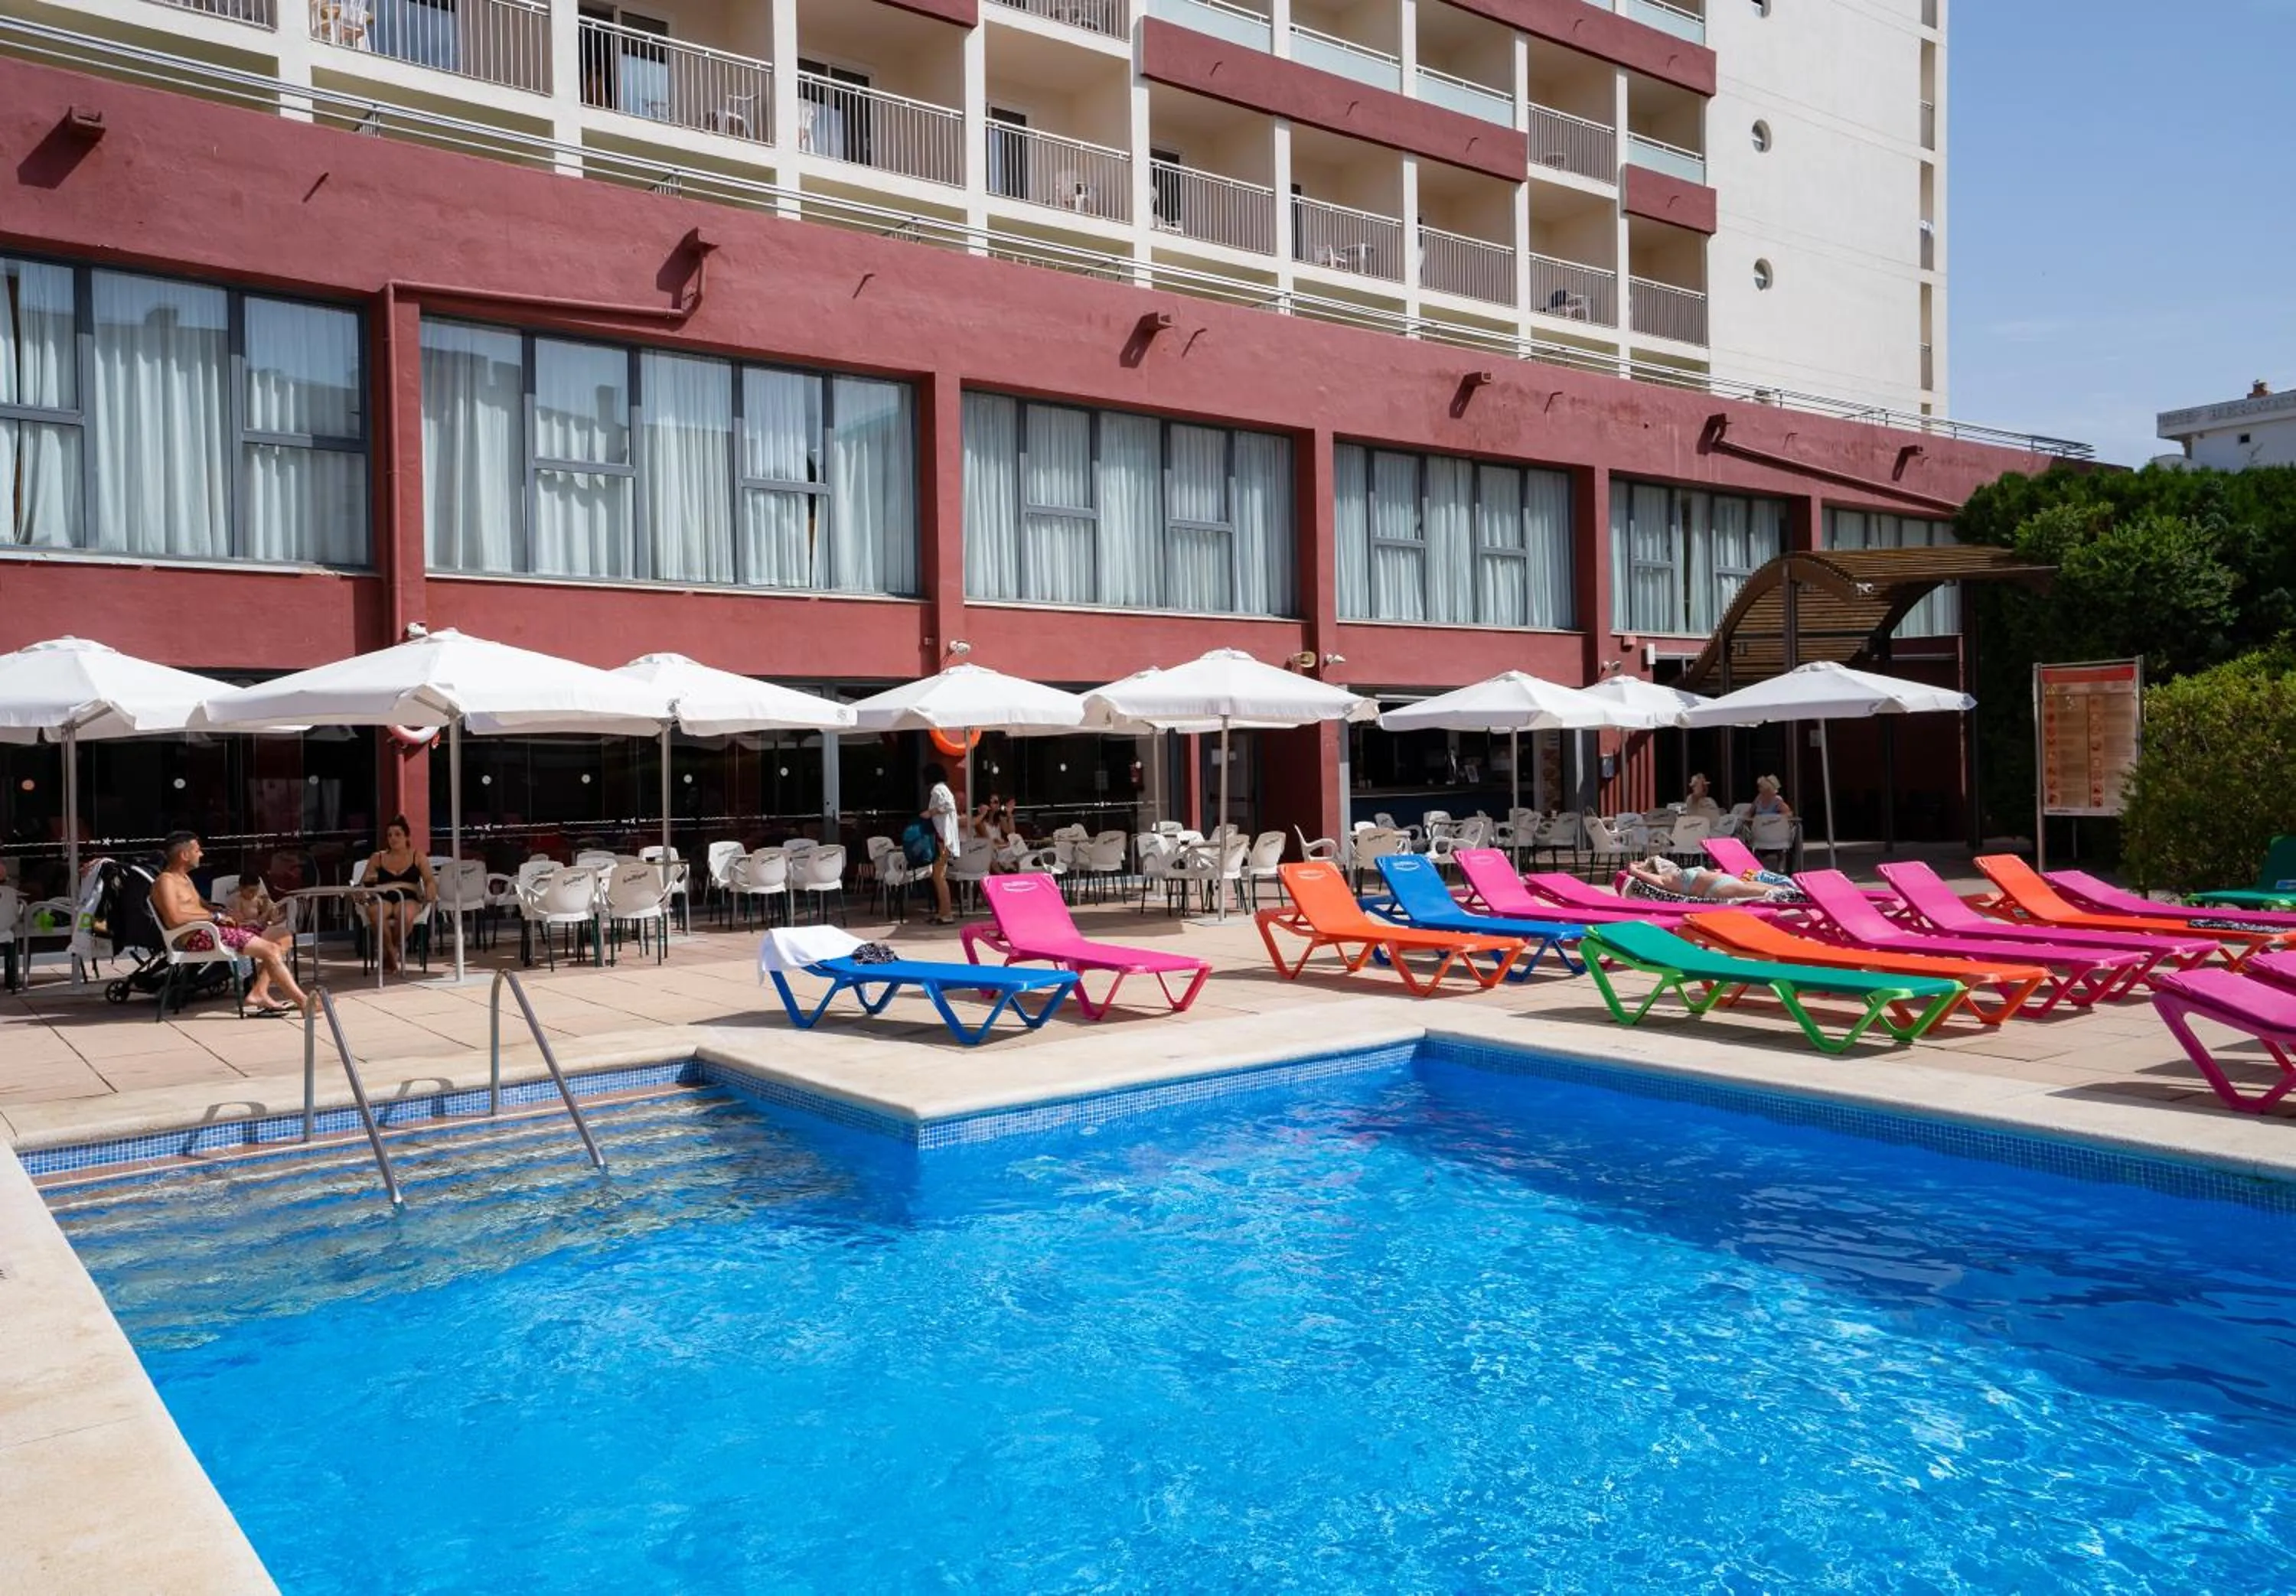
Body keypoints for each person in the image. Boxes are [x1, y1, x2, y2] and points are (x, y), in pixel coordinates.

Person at [149, 830, 307, 1015]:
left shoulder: (184, 879)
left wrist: (223, 912)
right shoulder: (165, 881)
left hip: (212, 930)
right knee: (270, 950)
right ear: (184, 855)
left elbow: (203, 906)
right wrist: (216, 918)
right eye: (197, 850)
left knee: (282, 937)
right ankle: (305, 1003)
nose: (201, 854)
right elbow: (174, 919)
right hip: (197, 937)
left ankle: (259, 992)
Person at [360, 816, 437, 974]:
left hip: (408, 896)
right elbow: (365, 881)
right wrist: (364, 889)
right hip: (384, 895)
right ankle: (393, 952)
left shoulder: (417, 856)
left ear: (407, 837)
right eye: (389, 835)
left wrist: (430, 889)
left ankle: (390, 954)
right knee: (375, 913)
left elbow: (429, 878)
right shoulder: (378, 857)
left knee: (404, 913)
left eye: (397, 834)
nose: (393, 838)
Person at [1623, 854, 1796, 904]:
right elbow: (1658, 882)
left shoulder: (1678, 873)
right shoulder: (1668, 880)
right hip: (1715, 890)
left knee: (1772, 886)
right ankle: (1796, 896)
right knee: (1768, 893)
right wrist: (1635, 871)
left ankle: (1798, 892)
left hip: (1727, 881)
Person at [921, 762, 959, 924]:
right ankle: (943, 911)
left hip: (943, 839)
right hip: (945, 838)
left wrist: (930, 813)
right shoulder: (943, 788)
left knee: (939, 876)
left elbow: (948, 806)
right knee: (939, 875)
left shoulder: (938, 789)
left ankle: (947, 913)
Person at [228, 875, 290, 940]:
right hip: (249, 927)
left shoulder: (256, 898)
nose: (254, 894)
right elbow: (238, 920)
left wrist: (265, 903)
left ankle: (276, 921)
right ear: (241, 889)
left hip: (262, 923)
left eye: (257, 890)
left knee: (271, 907)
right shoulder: (238, 901)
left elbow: (262, 911)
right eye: (251, 891)